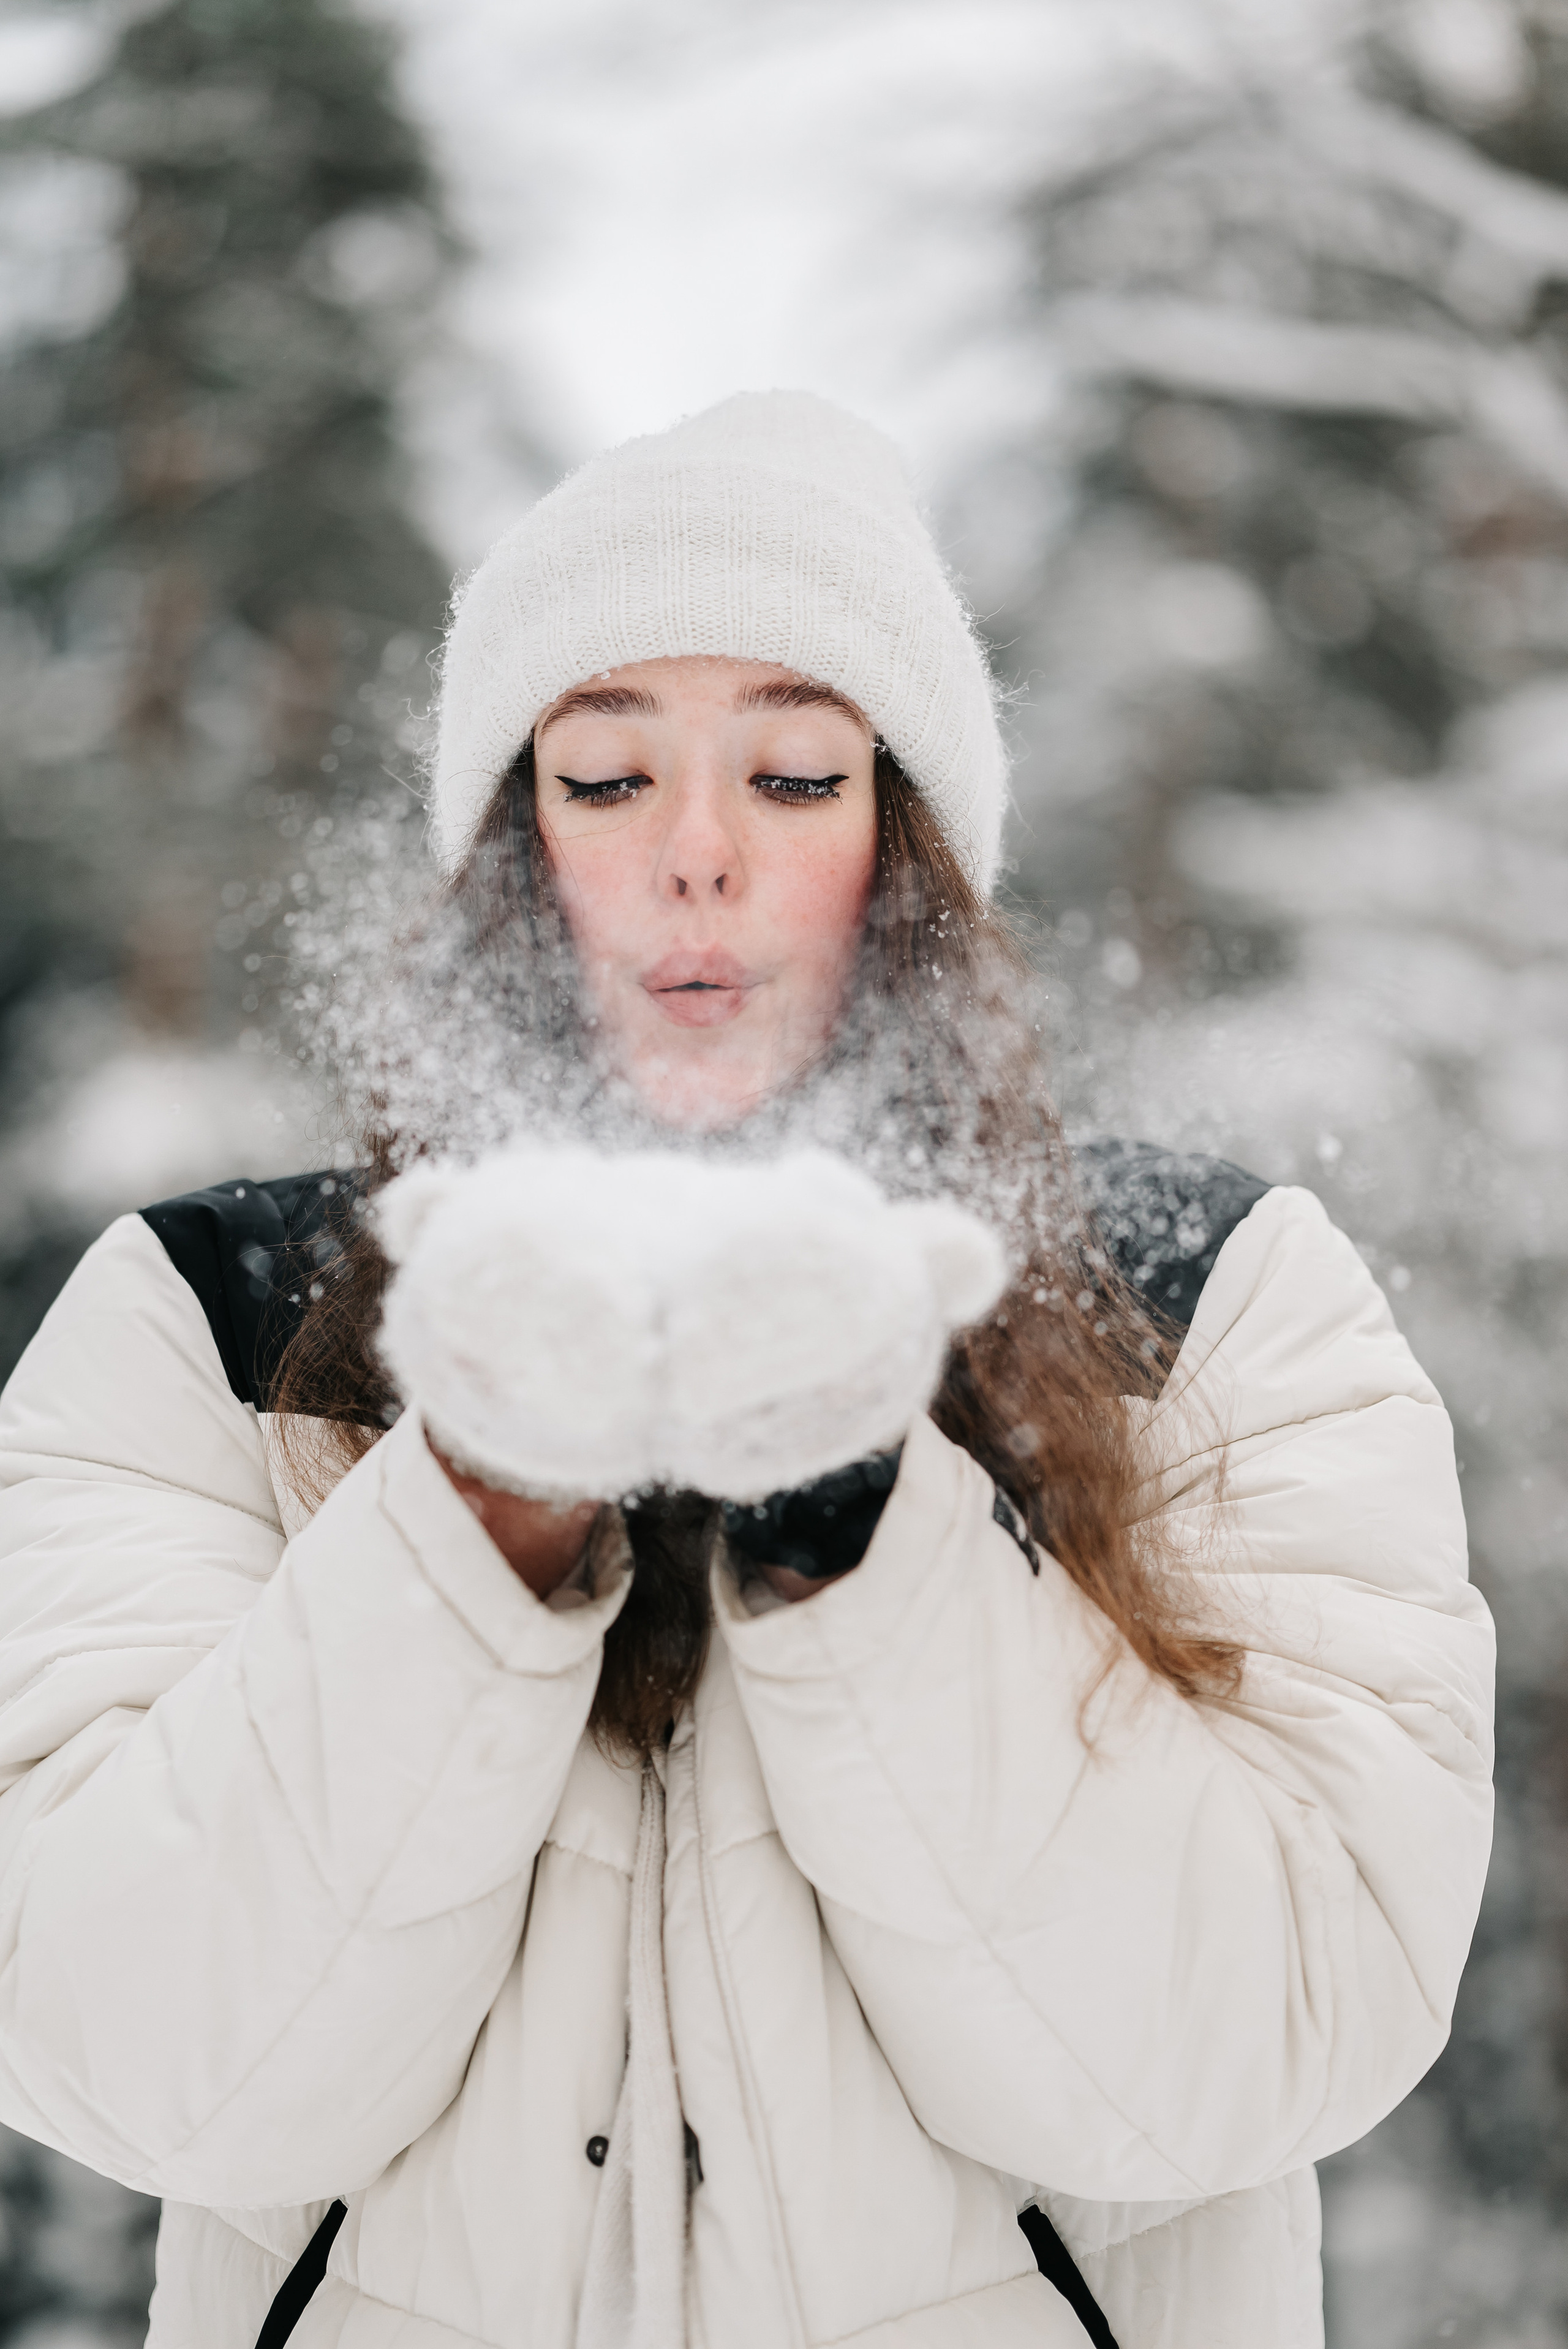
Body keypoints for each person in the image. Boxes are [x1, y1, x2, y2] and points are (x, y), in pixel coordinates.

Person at [0, 393, 1493, 2349]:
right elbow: (140, 2056)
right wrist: (479, 1502)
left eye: (794, 772)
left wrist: (851, 1507)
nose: (697, 852)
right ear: (513, 850)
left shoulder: (1209, 1304)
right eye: (608, 778)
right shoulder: (215, 1322)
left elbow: (1260, 2047)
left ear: (910, 845)